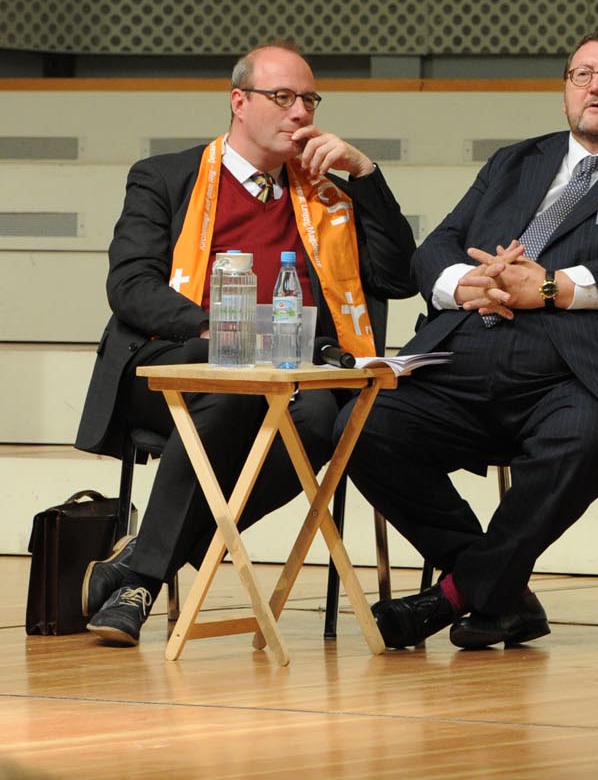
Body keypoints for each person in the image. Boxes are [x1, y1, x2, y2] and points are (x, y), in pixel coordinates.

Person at [346, 29, 598, 650]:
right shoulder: (516, 161)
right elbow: (437, 246)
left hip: (583, 371)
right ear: (566, 90)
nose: (595, 87)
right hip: (468, 352)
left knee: (580, 442)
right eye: (582, 75)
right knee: (363, 425)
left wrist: (551, 287)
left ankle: (457, 593)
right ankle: (501, 590)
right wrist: (464, 282)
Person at [75, 41, 417, 646]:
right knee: (230, 389)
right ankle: (150, 574)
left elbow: (396, 278)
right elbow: (129, 285)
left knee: (319, 416)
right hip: (172, 362)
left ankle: (154, 560)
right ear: (239, 102)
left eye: (309, 99)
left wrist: (364, 175)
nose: (300, 113)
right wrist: (215, 330)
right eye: (282, 98)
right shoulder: (165, 177)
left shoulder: (327, 195)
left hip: (290, 374)